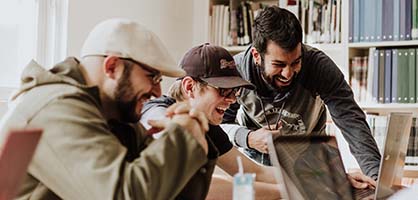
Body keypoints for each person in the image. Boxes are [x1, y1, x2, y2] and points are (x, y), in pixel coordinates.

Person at [0, 18, 215, 199]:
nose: (158, 92)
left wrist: (195, 139)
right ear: (112, 67)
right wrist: (182, 136)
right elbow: (124, 194)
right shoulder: (56, 108)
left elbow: (172, 194)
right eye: (152, 77)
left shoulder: (113, 116)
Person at [220, 6, 380, 188]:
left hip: (311, 167)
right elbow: (219, 126)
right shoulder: (238, 71)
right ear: (257, 55)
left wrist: (377, 180)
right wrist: (248, 138)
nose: (288, 73)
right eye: (278, 64)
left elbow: (352, 121)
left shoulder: (319, 66)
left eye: (295, 62)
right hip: (258, 171)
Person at [140, 43, 280, 199]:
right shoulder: (156, 111)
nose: (232, 99)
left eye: (234, 91)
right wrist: (283, 192)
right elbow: (198, 185)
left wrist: (304, 180)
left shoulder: (207, 125)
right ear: (189, 87)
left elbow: (255, 172)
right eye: (223, 90)